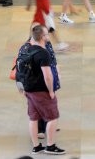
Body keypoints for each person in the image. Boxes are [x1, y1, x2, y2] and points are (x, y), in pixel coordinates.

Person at [23, 25, 66, 155]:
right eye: (47, 34)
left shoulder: (27, 49)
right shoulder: (43, 53)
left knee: (33, 118)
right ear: (42, 37)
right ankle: (50, 146)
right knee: (52, 117)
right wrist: (51, 91)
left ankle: (36, 146)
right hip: (41, 90)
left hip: (29, 89)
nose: (48, 36)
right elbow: (47, 76)